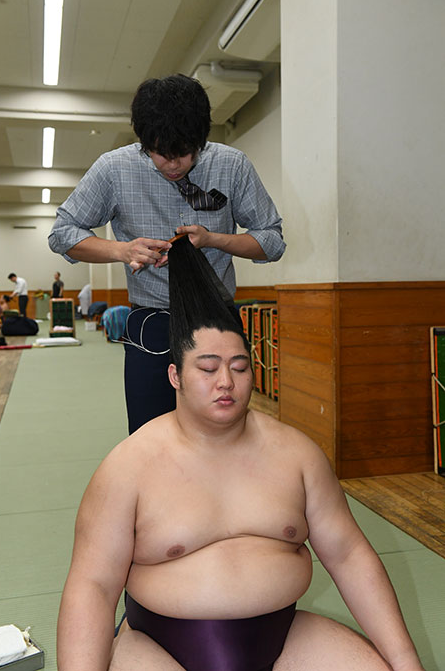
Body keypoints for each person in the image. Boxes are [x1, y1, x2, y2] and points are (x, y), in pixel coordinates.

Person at [57, 238, 423, 671]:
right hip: (158, 646)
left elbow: (349, 556)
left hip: (284, 637)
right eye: (208, 369)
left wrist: (405, 662)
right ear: (175, 375)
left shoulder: (297, 454)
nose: (226, 382)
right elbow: (93, 586)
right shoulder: (127, 467)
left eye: (240, 367)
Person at [48, 73, 286, 434]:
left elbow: (272, 242)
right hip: (151, 323)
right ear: (145, 142)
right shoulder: (115, 169)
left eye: (185, 154)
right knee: (148, 434)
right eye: (161, 154)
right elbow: (62, 233)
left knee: (223, 433)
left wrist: (213, 239)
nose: (173, 165)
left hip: (217, 320)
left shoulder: (232, 165)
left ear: (201, 141)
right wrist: (121, 249)